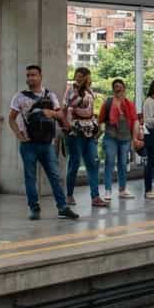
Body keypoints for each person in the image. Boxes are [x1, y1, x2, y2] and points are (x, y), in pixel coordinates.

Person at [8, 65, 79, 221]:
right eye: (28, 75)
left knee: (55, 176)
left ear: (40, 76)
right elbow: (11, 118)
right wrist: (18, 134)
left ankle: (62, 207)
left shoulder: (50, 95)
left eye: (34, 75)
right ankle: (34, 208)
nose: (30, 78)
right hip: (28, 144)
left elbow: (60, 115)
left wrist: (51, 113)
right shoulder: (19, 97)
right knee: (30, 177)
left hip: (47, 143)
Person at [64, 67, 106, 209]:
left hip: (89, 129)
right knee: (74, 163)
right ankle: (69, 194)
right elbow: (70, 105)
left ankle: (95, 196)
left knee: (93, 163)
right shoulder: (71, 90)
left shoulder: (90, 91)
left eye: (82, 76)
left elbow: (91, 110)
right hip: (75, 130)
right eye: (77, 76)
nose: (79, 78)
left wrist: (97, 126)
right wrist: (79, 90)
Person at [98, 79, 140, 200]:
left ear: (124, 89)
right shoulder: (108, 103)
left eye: (120, 86)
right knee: (109, 162)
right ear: (113, 89)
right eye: (116, 86)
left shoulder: (129, 104)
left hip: (126, 138)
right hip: (110, 136)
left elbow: (135, 121)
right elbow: (100, 120)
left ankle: (122, 189)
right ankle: (107, 190)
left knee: (122, 163)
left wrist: (134, 138)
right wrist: (99, 134)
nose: (118, 88)